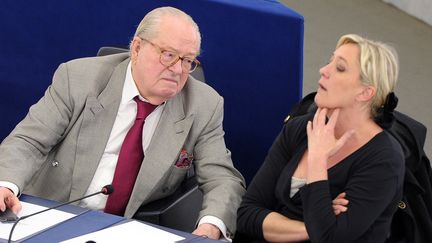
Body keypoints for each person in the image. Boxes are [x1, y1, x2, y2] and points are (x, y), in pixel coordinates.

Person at [0, 6, 245, 241]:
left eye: (188, 60)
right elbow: (29, 141)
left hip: (125, 230)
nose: (178, 69)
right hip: (48, 216)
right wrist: (5, 185)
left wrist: (211, 226)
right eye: (169, 55)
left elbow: (222, 178)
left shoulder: (204, 104)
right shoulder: (78, 78)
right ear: (137, 48)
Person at [235, 34, 405, 242]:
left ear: (365, 93)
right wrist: (312, 226)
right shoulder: (300, 128)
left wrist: (317, 161)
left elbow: (328, 238)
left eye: (340, 68)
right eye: (329, 62)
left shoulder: (384, 160)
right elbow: (246, 214)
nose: (324, 71)